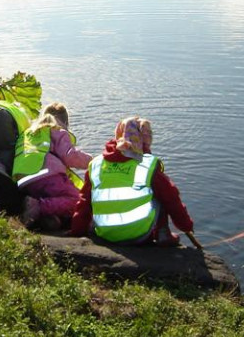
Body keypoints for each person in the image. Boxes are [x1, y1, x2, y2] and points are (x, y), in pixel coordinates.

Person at [69, 116, 195, 247]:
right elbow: (172, 199)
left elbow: (84, 201)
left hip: (105, 234)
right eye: (148, 135)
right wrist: (186, 226)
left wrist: (77, 231)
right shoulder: (147, 164)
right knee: (161, 193)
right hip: (138, 236)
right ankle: (163, 235)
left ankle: (110, 230)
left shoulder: (97, 163)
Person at [13, 102, 93, 229]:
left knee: (56, 197)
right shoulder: (57, 131)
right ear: (66, 123)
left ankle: (46, 216)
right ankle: (39, 207)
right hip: (45, 175)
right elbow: (70, 156)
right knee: (78, 201)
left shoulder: (29, 132)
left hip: (23, 179)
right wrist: (93, 161)